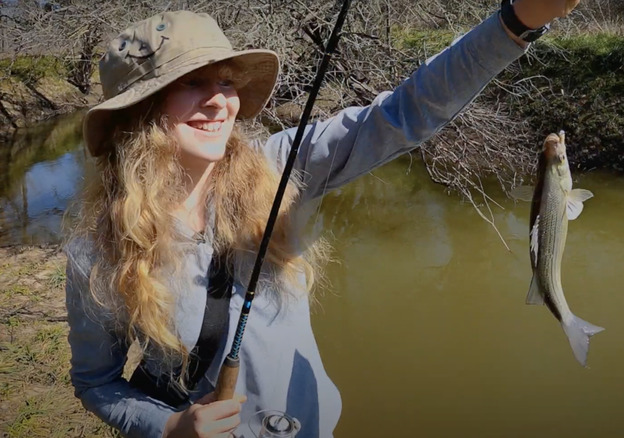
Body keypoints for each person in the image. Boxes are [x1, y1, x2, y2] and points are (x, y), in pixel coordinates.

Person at [64, 1, 581, 437]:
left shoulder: (283, 167)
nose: (220, 100)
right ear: (141, 110)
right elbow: (97, 384)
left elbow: (404, 112)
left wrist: (517, 22)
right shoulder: (97, 249)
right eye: (193, 83)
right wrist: (169, 427)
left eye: (226, 80)